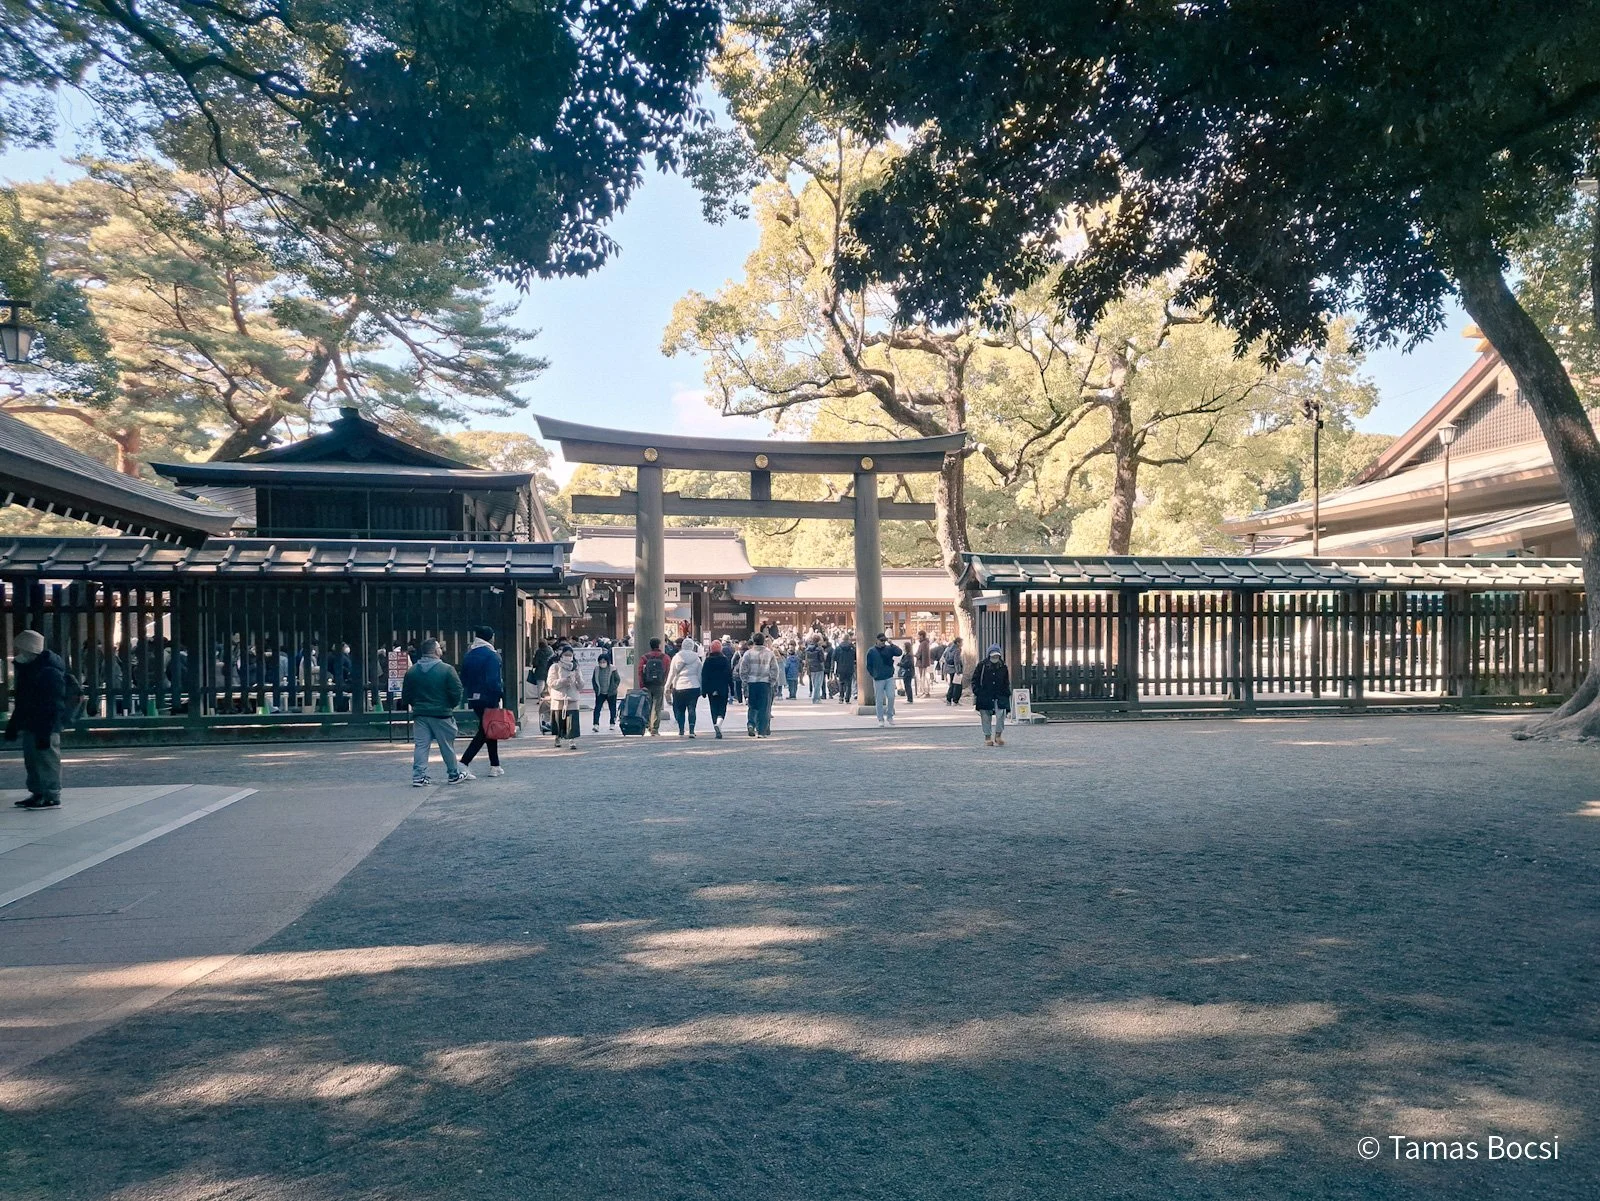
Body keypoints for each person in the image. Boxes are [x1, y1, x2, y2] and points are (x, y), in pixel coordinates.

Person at [6, 630, 70, 809]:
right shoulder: (29, 670)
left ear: (29, 649)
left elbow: (53, 704)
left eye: (21, 649)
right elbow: (23, 700)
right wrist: (15, 724)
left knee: (47, 759)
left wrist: (46, 729)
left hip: (46, 725)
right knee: (33, 759)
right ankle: (38, 792)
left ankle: (51, 794)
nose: (19, 653)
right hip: (32, 723)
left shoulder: (49, 672)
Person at [400, 639, 467, 786]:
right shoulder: (447, 669)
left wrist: (416, 704)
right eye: (439, 647)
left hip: (420, 714)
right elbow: (457, 691)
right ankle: (453, 774)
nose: (441, 650)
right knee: (446, 745)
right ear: (435, 651)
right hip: (442, 713)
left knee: (421, 745)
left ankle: (419, 776)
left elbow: (406, 695)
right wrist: (450, 705)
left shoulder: (412, 671)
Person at [458, 626, 505, 778]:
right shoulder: (492, 655)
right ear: (490, 637)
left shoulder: (469, 654)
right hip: (488, 697)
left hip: (473, 697)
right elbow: (493, 680)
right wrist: (500, 694)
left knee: (488, 729)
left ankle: (495, 765)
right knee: (485, 731)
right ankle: (464, 763)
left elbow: (463, 678)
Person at [738, 632, 780, 738]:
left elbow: (743, 670)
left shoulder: (748, 653)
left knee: (752, 706)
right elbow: (775, 669)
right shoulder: (769, 653)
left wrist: (745, 681)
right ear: (763, 641)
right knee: (763, 708)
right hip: (765, 683)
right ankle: (761, 731)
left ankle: (751, 724)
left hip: (751, 683)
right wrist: (772, 681)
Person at [972, 644, 1012, 747]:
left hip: (1000, 695)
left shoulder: (1003, 666)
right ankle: (987, 737)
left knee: (1001, 715)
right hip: (985, 695)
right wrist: (977, 691)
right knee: (985, 716)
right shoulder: (982, 666)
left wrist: (1007, 693)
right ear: (989, 655)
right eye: (993, 656)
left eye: (997, 656)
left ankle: (998, 735)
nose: (995, 658)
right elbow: (975, 680)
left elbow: (1006, 682)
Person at [665, 637, 705, 737]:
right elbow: (700, 674)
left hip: (679, 686)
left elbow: (672, 673)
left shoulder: (677, 657)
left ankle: (681, 729)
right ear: (692, 646)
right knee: (692, 708)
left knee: (680, 709)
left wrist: (667, 686)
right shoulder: (696, 658)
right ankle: (691, 730)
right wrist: (701, 687)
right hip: (693, 686)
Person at [547, 644, 583, 749]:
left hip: (572, 697)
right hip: (559, 698)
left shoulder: (576, 667)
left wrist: (578, 679)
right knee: (559, 720)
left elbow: (580, 685)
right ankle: (557, 737)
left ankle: (572, 740)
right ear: (561, 656)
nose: (568, 657)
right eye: (566, 655)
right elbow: (550, 682)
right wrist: (563, 681)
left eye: (570, 655)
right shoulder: (555, 667)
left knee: (572, 720)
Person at [865, 632, 902, 726]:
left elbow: (899, 652)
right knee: (879, 699)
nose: (883, 642)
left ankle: (890, 716)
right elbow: (868, 665)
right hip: (878, 678)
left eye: (884, 641)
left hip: (889, 676)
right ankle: (880, 719)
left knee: (891, 697)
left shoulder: (889, 649)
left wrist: (891, 643)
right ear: (877, 640)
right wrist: (873, 674)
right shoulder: (871, 651)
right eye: (881, 641)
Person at [637, 637, 671, 736]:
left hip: (647, 684)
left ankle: (647, 726)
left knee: (647, 705)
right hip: (659, 684)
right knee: (657, 707)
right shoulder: (665, 657)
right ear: (659, 645)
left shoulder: (645, 657)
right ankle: (654, 729)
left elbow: (640, 672)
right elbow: (667, 671)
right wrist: (664, 682)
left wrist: (641, 685)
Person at [701, 638, 733, 738]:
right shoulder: (724, 660)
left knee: (713, 708)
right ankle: (719, 723)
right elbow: (729, 675)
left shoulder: (708, 660)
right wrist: (732, 689)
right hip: (722, 688)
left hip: (711, 689)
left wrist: (704, 690)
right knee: (722, 708)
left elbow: (704, 676)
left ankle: (715, 724)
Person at [591, 651, 620, 731]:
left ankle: (612, 723)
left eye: (604, 662)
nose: (602, 663)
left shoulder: (613, 669)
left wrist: (614, 687)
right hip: (600, 692)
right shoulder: (596, 669)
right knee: (597, 708)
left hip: (611, 692)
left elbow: (618, 679)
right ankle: (596, 724)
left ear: (607, 662)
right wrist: (596, 689)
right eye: (600, 662)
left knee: (612, 708)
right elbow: (594, 680)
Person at [324, 641, 355, 712]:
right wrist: (348, 672)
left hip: (342, 679)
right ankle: (341, 708)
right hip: (342, 679)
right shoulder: (338, 656)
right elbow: (340, 667)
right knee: (343, 696)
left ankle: (342, 708)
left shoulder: (341, 655)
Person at [832, 632, 857, 705]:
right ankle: (847, 699)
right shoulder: (852, 648)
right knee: (849, 684)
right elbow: (856, 657)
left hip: (840, 667)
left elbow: (834, 658)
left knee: (841, 683)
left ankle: (841, 697)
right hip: (849, 667)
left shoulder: (838, 648)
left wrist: (833, 669)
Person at [942, 637, 966, 704]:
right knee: (958, 685)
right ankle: (955, 700)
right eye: (961, 642)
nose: (962, 644)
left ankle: (949, 699)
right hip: (955, 669)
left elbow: (944, 655)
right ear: (958, 643)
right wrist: (958, 670)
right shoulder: (957, 650)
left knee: (952, 684)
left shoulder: (950, 648)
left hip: (949, 668)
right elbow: (956, 661)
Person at [804, 635, 828, 703]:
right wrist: (825, 656)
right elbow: (821, 659)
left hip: (811, 667)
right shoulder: (819, 649)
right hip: (819, 667)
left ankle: (815, 697)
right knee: (818, 683)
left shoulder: (808, 648)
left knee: (814, 683)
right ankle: (816, 698)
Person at [915, 630, 933, 697]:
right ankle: (924, 691)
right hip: (923, 663)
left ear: (921, 636)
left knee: (923, 678)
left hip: (922, 663)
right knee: (923, 677)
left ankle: (926, 692)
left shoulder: (923, 644)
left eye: (918, 635)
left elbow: (921, 654)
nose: (917, 637)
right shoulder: (925, 643)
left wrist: (915, 655)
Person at [898, 639, 917, 704]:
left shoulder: (909, 655)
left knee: (908, 685)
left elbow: (908, 663)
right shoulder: (906, 654)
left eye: (904, 647)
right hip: (907, 671)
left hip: (908, 672)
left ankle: (910, 699)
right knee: (906, 685)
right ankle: (909, 698)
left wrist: (900, 664)